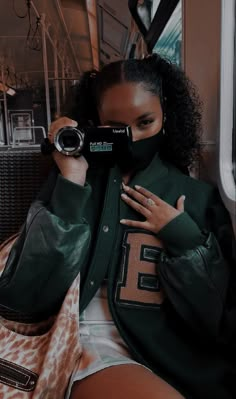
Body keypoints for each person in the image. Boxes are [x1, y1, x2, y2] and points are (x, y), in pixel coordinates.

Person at [0, 54, 235, 399]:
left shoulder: (196, 197)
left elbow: (217, 322)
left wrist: (183, 237)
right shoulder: (71, 184)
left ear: (166, 115)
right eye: (117, 128)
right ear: (96, 123)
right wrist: (72, 181)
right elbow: (25, 297)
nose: (134, 138)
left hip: (161, 354)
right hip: (76, 345)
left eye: (145, 122)